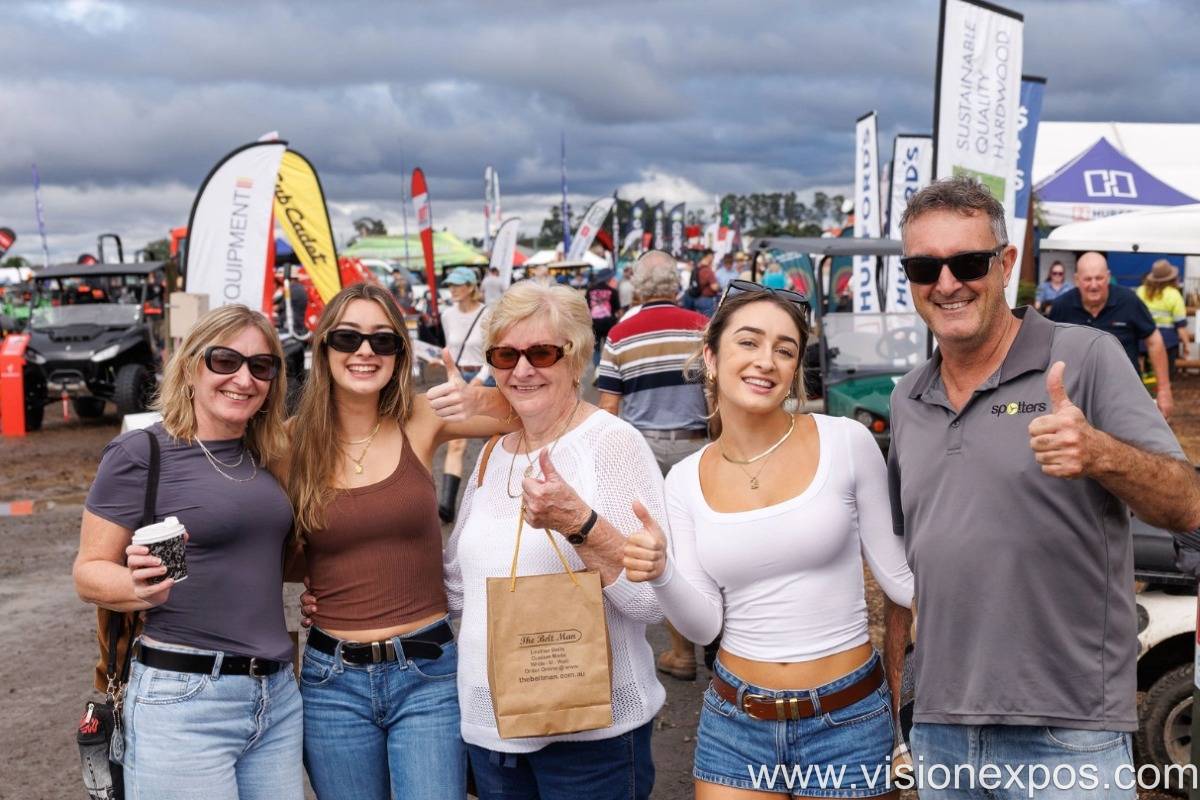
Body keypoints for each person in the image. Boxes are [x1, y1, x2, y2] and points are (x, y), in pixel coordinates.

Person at [889, 176, 1200, 799]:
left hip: (1067, 728)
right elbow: (909, 564)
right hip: (942, 729)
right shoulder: (908, 399)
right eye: (925, 267)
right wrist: (901, 703)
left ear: (1005, 264)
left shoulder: (1085, 358)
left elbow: (1187, 503)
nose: (946, 284)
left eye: (967, 263)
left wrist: (1102, 454)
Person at [622, 279, 914, 798]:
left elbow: (900, 581)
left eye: (785, 350)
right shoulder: (684, 480)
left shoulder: (846, 442)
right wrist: (662, 572)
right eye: (749, 342)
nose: (766, 361)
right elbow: (704, 624)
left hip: (847, 720)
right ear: (711, 357)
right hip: (736, 724)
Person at [288, 282, 514, 800]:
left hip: (427, 672)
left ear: (399, 353)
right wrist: (312, 577)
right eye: (348, 337)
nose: (365, 351)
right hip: (332, 681)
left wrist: (479, 395)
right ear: (323, 347)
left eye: (382, 340)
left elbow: (529, 411)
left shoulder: (421, 414)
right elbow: (266, 543)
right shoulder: (291, 441)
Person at [445, 280, 667, 799]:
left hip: (591, 743)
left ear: (577, 357)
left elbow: (652, 601)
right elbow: (458, 588)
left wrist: (579, 525)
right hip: (494, 735)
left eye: (541, 352)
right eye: (506, 355)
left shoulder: (611, 444)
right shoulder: (493, 454)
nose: (522, 370)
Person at [73, 304, 302, 800]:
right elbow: (88, 572)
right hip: (184, 698)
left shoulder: (269, 455)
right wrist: (138, 587)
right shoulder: (142, 452)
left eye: (261, 366)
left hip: (277, 696)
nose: (244, 378)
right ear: (192, 365)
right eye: (226, 361)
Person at [596, 250, 711, 683]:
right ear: (676, 285)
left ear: (638, 287)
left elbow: (609, 408)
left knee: (662, 546)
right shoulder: (702, 328)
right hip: (695, 446)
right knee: (703, 542)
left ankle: (682, 653)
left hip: (641, 450)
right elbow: (716, 394)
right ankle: (718, 643)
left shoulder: (620, 335)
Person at [1048, 251, 1174, 418]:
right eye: (1087, 279)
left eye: (1099, 278)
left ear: (1108, 277)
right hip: (1076, 399)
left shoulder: (1129, 301)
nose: (1094, 285)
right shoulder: (1062, 306)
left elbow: (1154, 341)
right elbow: (1049, 349)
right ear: (1077, 280)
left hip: (1126, 396)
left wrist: (1164, 389)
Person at [437, 267, 491, 522]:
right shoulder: (447, 315)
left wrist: (479, 380)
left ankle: (494, 499)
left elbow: (493, 352)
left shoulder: (488, 314)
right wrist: (449, 371)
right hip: (458, 379)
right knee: (456, 442)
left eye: (458, 285)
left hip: (485, 380)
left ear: (471, 287)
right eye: (450, 285)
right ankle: (446, 506)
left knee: (492, 443)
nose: (453, 289)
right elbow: (450, 349)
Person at [1136, 259, 1191, 375]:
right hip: (1167, 343)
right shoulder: (1174, 295)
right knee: (1165, 377)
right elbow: (1181, 326)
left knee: (1142, 377)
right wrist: (1186, 345)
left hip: (1143, 341)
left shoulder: (1140, 291)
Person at [585, 267, 619, 365]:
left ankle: (597, 368)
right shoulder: (612, 291)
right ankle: (608, 366)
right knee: (609, 347)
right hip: (609, 323)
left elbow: (587, 307)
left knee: (596, 348)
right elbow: (617, 309)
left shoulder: (590, 290)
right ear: (608, 278)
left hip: (594, 323)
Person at [691, 253, 721, 318]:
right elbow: (714, 287)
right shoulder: (708, 271)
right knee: (708, 321)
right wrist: (719, 286)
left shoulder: (698, 269)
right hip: (707, 300)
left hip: (697, 298)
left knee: (699, 320)